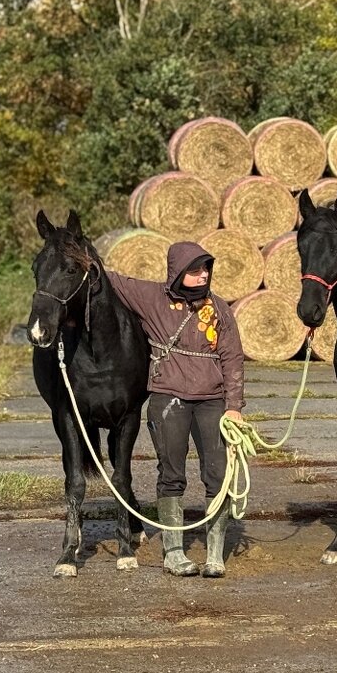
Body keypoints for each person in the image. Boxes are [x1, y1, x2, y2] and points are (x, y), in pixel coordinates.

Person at [107, 243, 246, 578]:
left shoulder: (220, 309)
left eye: (207, 268)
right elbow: (111, 280)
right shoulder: (152, 298)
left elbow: (233, 359)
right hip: (167, 398)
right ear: (178, 270)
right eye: (196, 269)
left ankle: (215, 554)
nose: (204, 275)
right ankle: (173, 553)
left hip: (212, 400)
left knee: (218, 474)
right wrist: (79, 254)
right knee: (171, 475)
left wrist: (234, 407)